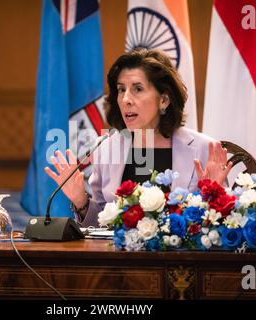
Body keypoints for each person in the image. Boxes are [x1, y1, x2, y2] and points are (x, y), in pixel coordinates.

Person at [45, 48, 232, 227]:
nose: (125, 99)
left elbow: (223, 228)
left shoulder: (203, 148)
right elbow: (100, 226)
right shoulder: (105, 148)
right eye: (120, 89)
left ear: (164, 100)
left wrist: (216, 195)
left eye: (137, 89)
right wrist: (80, 199)